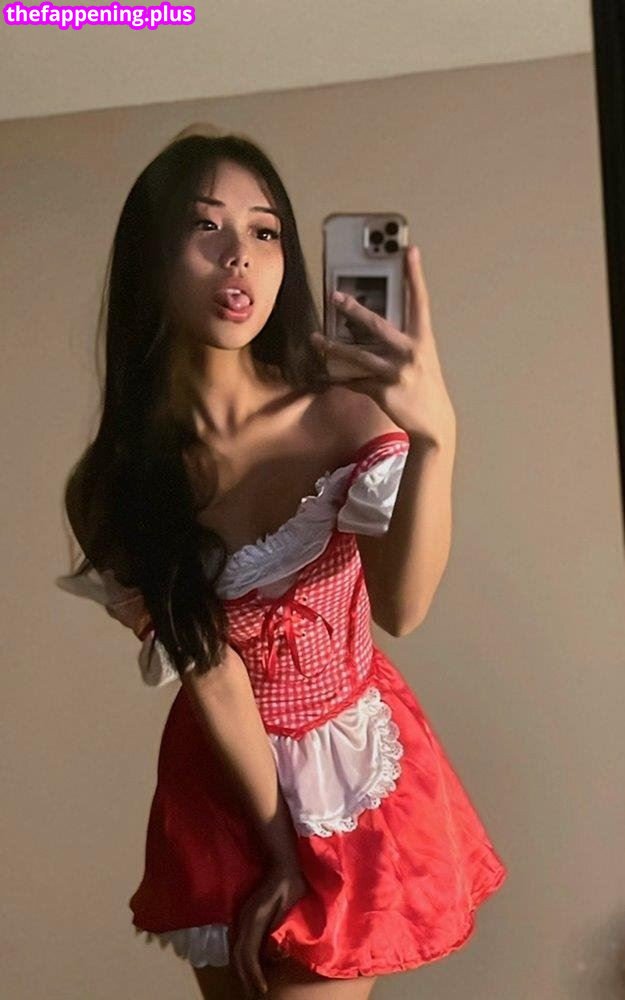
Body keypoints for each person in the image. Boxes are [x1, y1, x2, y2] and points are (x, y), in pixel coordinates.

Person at [56, 125, 507, 999]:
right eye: (206, 226)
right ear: (149, 257)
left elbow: (402, 608)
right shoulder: (114, 483)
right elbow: (209, 670)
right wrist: (276, 848)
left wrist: (435, 437)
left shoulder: (342, 417)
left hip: (350, 763)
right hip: (224, 784)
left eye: (264, 232)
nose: (239, 257)